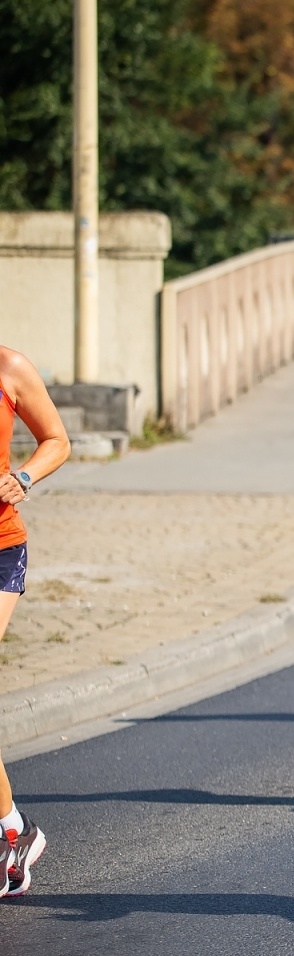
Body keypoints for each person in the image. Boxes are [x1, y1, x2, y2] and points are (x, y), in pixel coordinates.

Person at [0, 344, 73, 898]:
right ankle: (15, 831)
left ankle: (14, 833)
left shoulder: (10, 368)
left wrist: (22, 477)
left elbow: (58, 441)